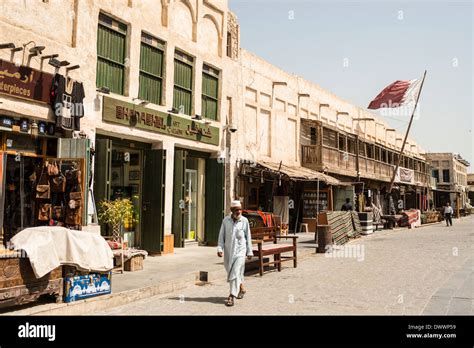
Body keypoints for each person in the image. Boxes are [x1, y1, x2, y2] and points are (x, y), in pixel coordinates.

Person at [217, 200, 253, 307]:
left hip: (241, 251)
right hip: (229, 252)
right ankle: (241, 288)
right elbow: (221, 237)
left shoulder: (244, 221)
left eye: (240, 209)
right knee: (234, 272)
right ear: (232, 210)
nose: (239, 212)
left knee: (235, 272)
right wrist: (220, 249)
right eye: (236, 210)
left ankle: (231, 296)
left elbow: (248, 237)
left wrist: (249, 251)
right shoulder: (225, 221)